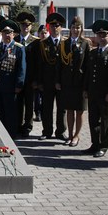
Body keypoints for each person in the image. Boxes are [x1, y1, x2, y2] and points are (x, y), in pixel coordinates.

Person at [83, 19, 108, 158]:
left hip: (105, 93)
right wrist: (85, 89)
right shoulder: (92, 52)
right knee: (93, 119)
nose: (102, 37)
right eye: (99, 34)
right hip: (93, 91)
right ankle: (95, 143)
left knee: (105, 120)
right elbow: (88, 73)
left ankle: (103, 145)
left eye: (105, 34)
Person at [56, 16, 90, 147]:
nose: (76, 30)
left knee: (79, 111)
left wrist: (86, 85)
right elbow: (59, 64)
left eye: (78, 27)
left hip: (80, 83)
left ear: (81, 29)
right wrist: (58, 81)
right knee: (69, 110)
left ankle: (76, 135)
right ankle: (69, 135)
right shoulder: (64, 43)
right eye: (73, 27)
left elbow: (87, 66)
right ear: (70, 29)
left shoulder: (85, 43)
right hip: (67, 82)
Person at [0, 19, 26, 137]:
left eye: (9, 32)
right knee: (0, 111)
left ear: (14, 34)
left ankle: (11, 134)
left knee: (10, 111)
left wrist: (19, 84)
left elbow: (22, 68)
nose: (7, 35)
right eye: (4, 32)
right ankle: (1, 133)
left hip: (11, 86)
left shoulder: (18, 48)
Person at [37, 12, 67, 142]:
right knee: (47, 108)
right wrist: (39, 82)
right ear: (49, 27)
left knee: (62, 108)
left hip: (62, 81)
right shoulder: (43, 44)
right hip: (47, 81)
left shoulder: (66, 43)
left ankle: (60, 132)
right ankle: (47, 131)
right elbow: (40, 64)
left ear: (61, 27)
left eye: (58, 25)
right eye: (53, 26)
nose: (55, 28)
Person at [15, 12, 39, 137]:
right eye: (23, 25)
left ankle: (28, 126)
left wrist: (36, 80)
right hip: (18, 78)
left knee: (29, 104)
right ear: (20, 26)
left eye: (28, 25)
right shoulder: (15, 40)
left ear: (31, 26)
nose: (25, 27)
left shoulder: (36, 42)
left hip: (30, 79)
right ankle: (18, 124)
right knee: (18, 103)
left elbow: (38, 63)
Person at [33, 25, 49, 122]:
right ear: (38, 34)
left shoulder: (50, 44)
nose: (43, 35)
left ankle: (44, 114)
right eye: (41, 33)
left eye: (45, 33)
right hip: (37, 75)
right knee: (37, 98)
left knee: (45, 99)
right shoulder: (35, 45)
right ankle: (37, 114)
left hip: (47, 77)